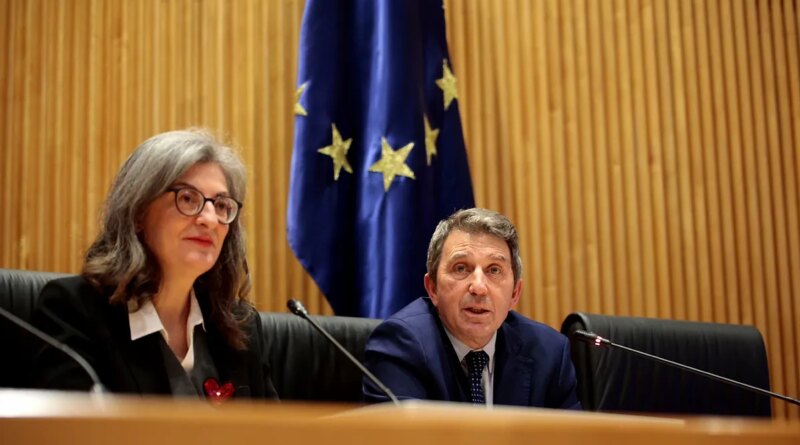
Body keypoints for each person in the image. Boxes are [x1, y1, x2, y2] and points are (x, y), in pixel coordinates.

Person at [31, 129, 278, 400]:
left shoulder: (240, 325)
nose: (210, 219)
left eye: (220, 205)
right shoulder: (73, 311)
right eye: (188, 198)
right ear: (138, 211)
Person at [363, 208, 580, 408]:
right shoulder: (400, 346)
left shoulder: (549, 353)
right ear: (433, 288)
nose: (478, 287)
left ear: (515, 293)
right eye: (461, 268)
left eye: (494, 270)